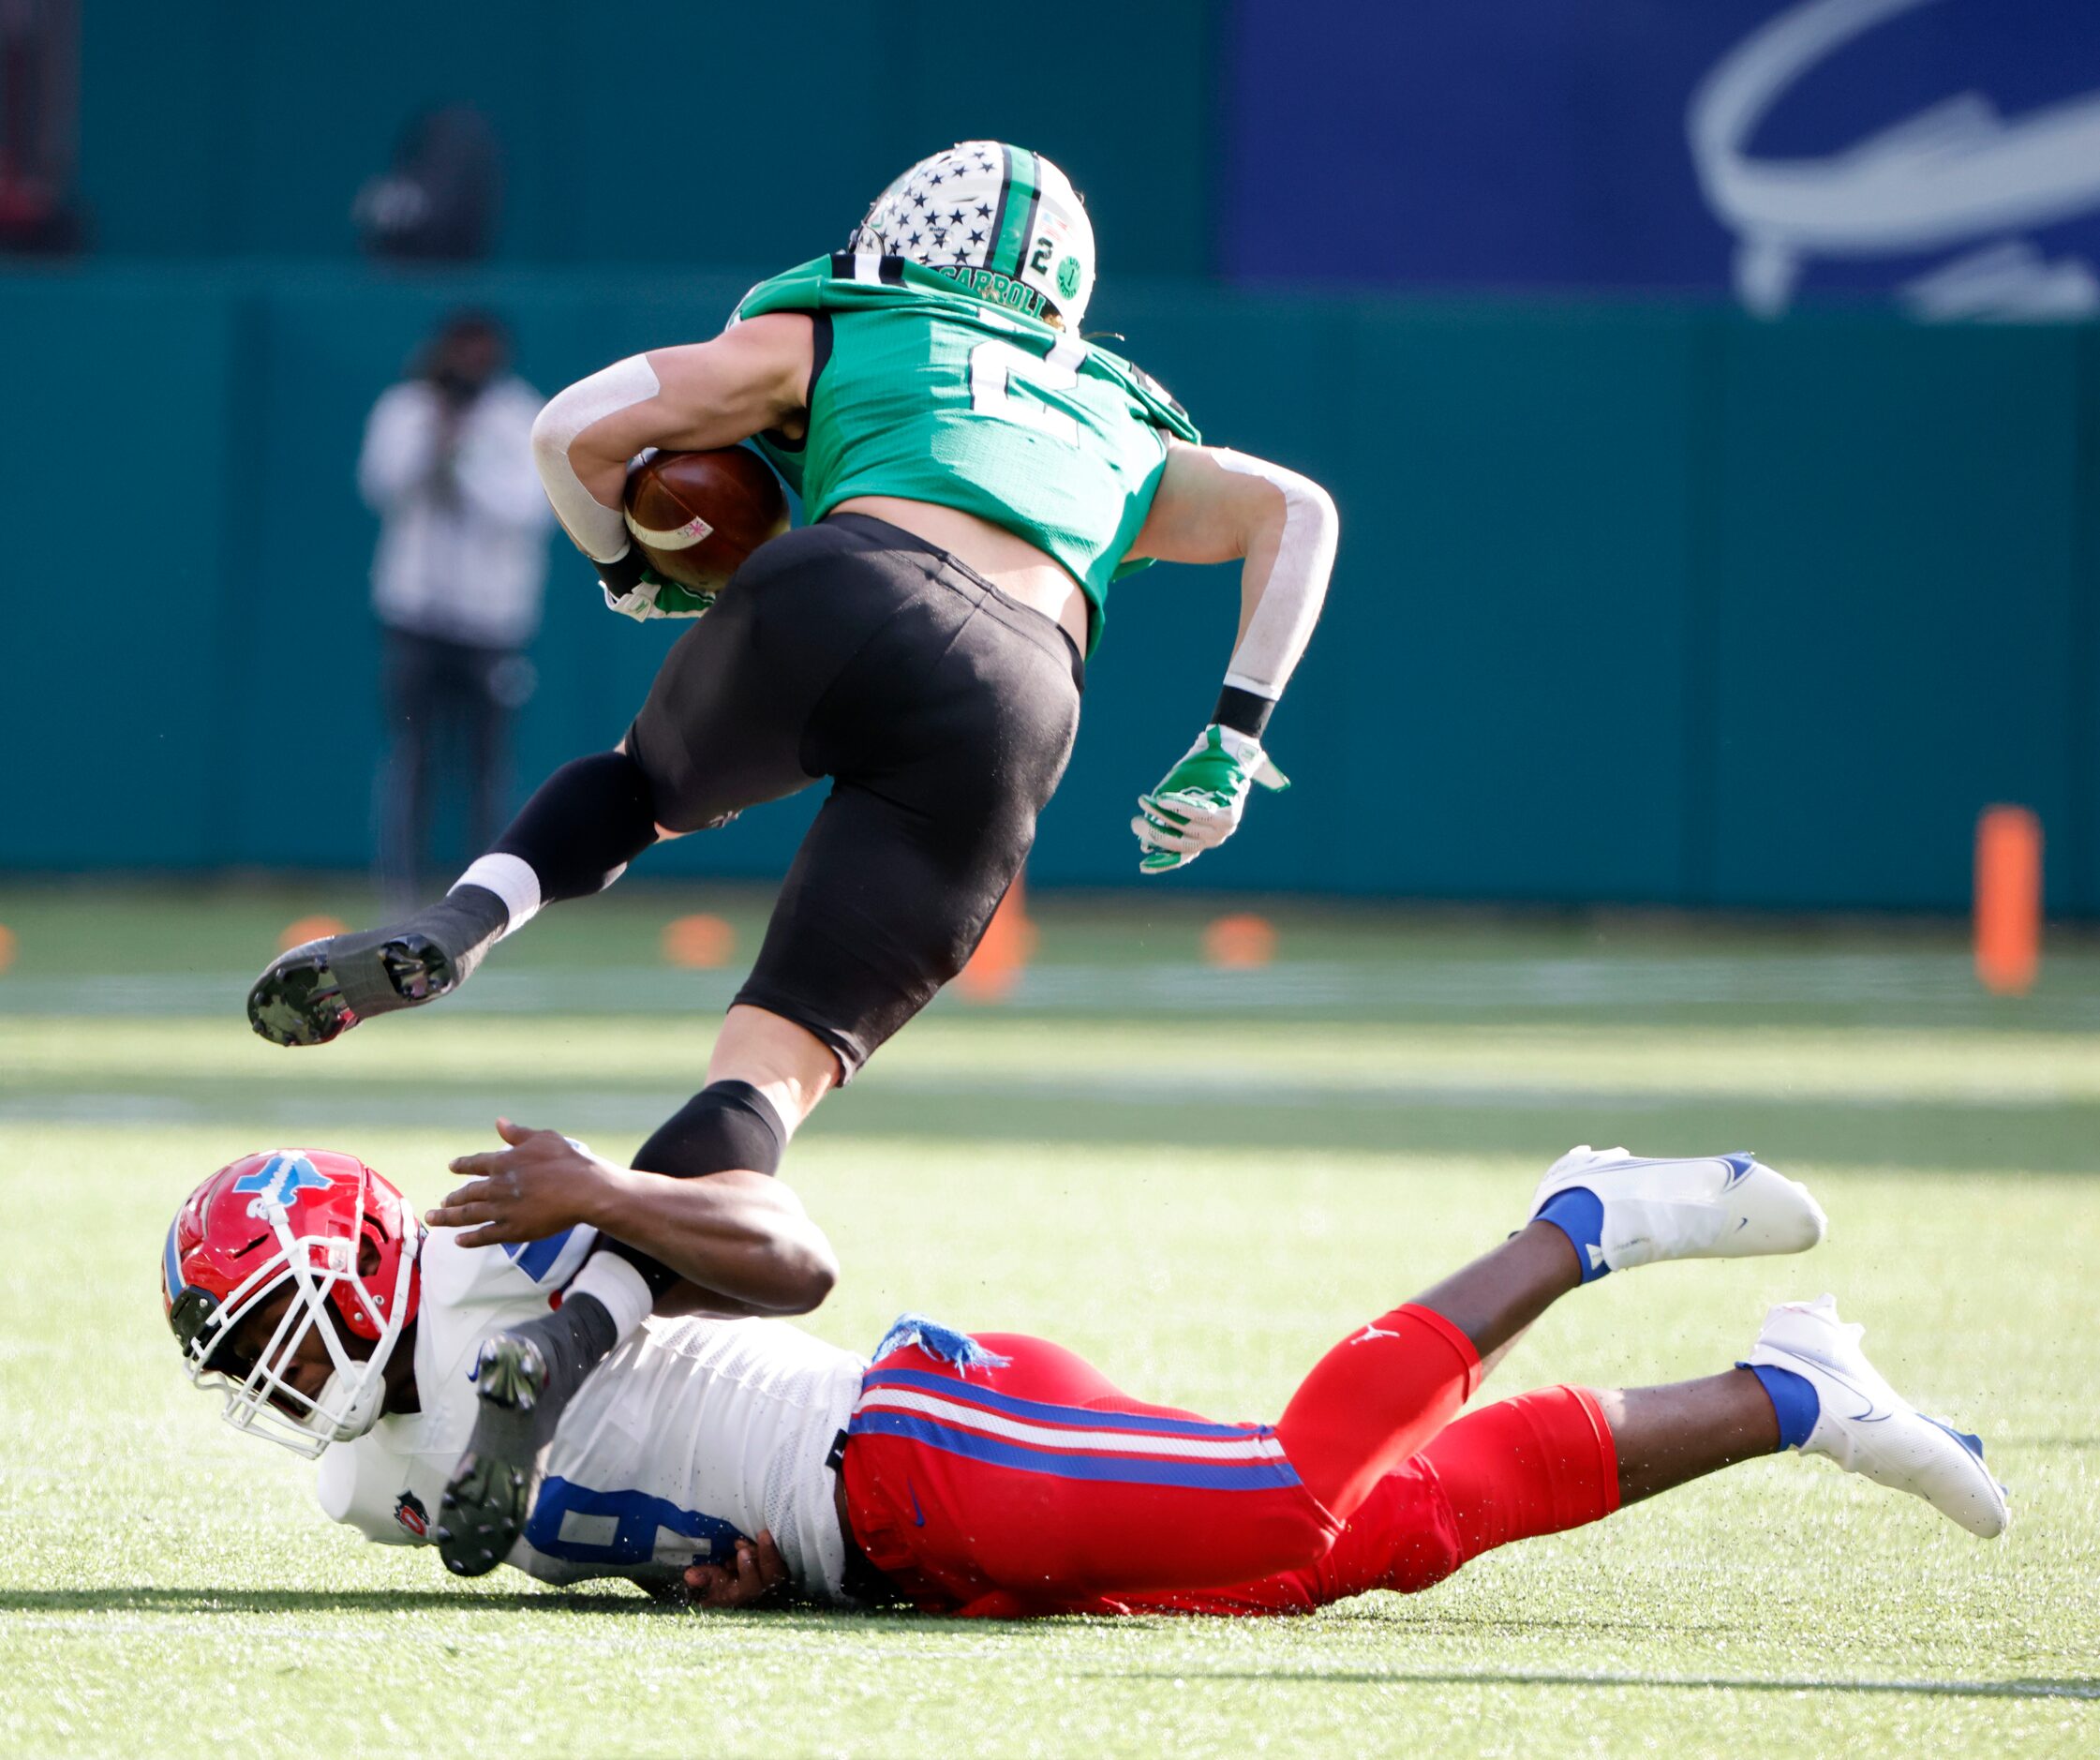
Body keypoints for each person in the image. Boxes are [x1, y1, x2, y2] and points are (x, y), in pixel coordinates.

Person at [244, 141, 1342, 1565]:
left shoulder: (842, 322)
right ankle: (574, 1337)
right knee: (765, 1077)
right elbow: (1296, 511)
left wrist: (628, 568)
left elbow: (573, 431)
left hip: (845, 575)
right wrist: (1233, 736)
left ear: (895, 237)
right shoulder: (1120, 414)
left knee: (640, 786)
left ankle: (457, 926)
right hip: (1019, 686)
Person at [160, 1139, 2005, 1613]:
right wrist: (707, 1581)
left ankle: (1576, 1222)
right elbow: (620, 1521)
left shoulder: (498, 1250)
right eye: (246, 1357)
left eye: (273, 1324)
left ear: (360, 1256)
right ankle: (1791, 1393)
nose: (279, 1372)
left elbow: (778, 1248)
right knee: (1370, 1548)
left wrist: (615, 1198)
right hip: (875, 1567)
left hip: (909, 1443)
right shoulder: (363, 1496)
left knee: (1297, 1487)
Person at [358, 309, 550, 901]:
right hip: (415, 613)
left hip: (492, 618)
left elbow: (527, 509)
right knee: (412, 754)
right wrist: (434, 438)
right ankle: (402, 889)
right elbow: (380, 484)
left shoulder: (522, 415)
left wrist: (463, 456)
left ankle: (487, 893)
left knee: (487, 766)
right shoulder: (407, 408)